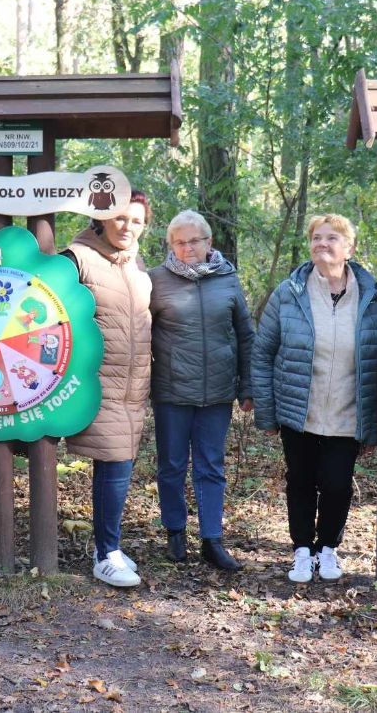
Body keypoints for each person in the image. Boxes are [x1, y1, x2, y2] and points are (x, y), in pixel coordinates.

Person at [252, 214, 377, 584]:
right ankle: (301, 550)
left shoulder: (371, 297)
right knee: (301, 480)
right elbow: (263, 352)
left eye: (332, 238)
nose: (323, 244)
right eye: (317, 238)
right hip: (299, 409)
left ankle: (328, 549)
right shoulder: (290, 292)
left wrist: (375, 422)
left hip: (347, 410)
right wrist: (266, 411)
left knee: (338, 483)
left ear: (350, 248)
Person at [148, 210, 254, 571]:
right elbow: (139, 336)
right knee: (172, 466)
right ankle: (175, 533)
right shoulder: (156, 281)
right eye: (179, 241)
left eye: (194, 240)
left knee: (211, 466)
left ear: (209, 242)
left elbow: (245, 334)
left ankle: (212, 540)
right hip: (172, 391)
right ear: (171, 245)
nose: (187, 247)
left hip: (219, 391)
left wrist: (248, 385)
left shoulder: (228, 278)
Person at [64, 190, 153, 587]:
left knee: (119, 465)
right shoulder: (77, 259)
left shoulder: (136, 266)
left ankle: (110, 544)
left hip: (134, 386)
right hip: (96, 383)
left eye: (136, 221)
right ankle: (105, 553)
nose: (127, 227)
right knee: (115, 465)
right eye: (119, 218)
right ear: (100, 219)